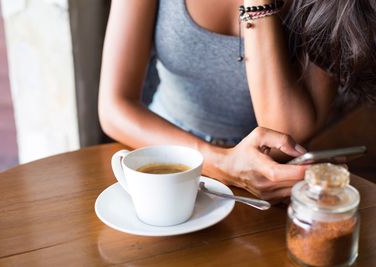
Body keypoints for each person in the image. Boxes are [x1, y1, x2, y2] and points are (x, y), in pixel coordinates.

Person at [98, 0, 375, 200]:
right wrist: (221, 163)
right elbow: (114, 107)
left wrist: (257, 3)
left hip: (264, 178)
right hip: (160, 153)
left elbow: (284, 134)